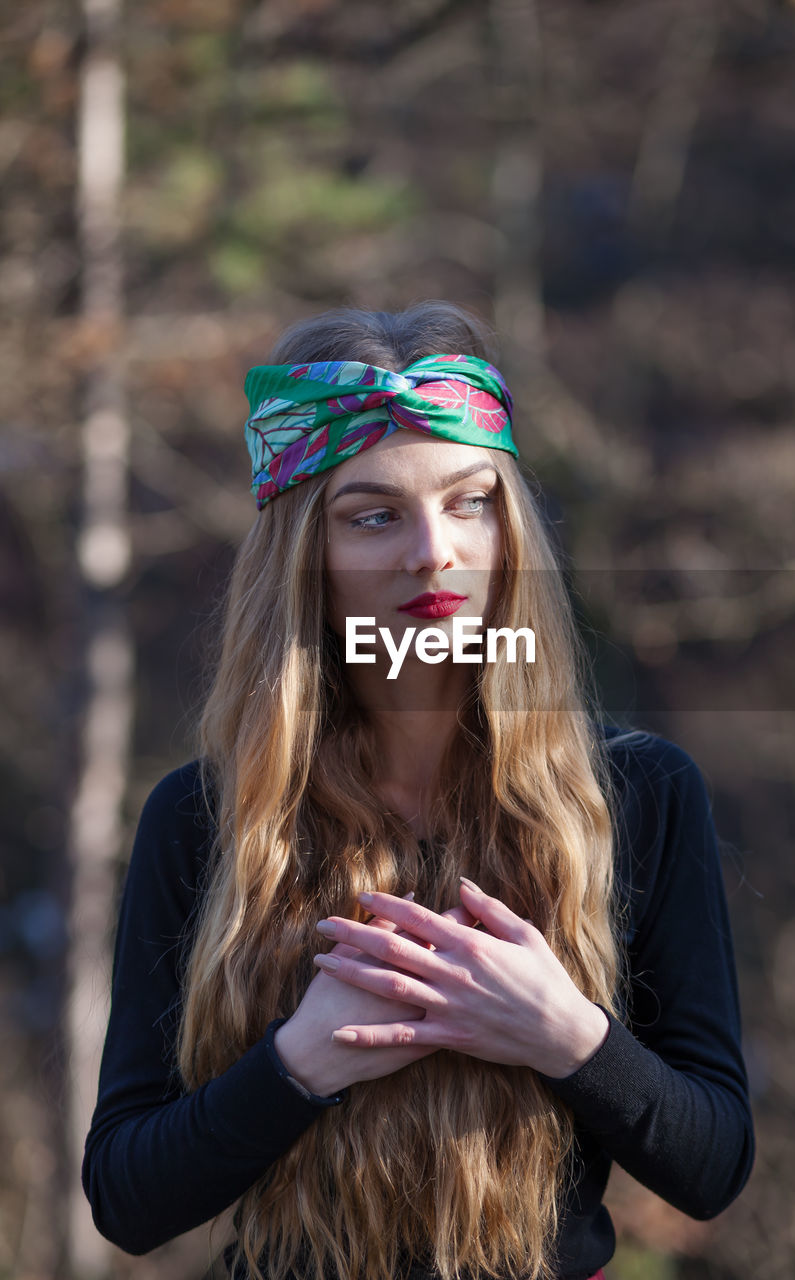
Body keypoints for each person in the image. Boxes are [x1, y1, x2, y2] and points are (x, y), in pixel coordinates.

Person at [82, 301, 754, 1280]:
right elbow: (126, 1199)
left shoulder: (638, 792)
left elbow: (713, 1163)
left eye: (467, 499)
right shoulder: (202, 815)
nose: (432, 549)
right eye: (373, 514)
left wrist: (562, 1032)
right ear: (305, 554)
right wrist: (303, 1059)